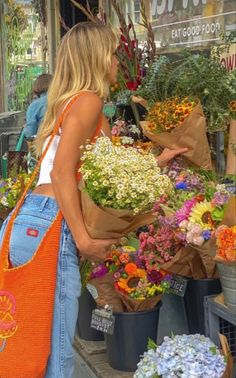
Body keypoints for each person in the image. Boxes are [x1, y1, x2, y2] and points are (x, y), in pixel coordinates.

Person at [0, 23, 187, 377]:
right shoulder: (88, 102)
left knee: (28, 346)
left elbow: (102, 169)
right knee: (55, 357)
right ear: (97, 57)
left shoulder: (74, 104)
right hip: (52, 225)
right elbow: (61, 174)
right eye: (113, 53)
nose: (118, 61)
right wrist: (84, 239)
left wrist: (156, 161)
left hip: (32, 222)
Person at [23, 73, 53, 139]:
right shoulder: (62, 100)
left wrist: (25, 129)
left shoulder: (35, 106)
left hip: (43, 143)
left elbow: (30, 133)